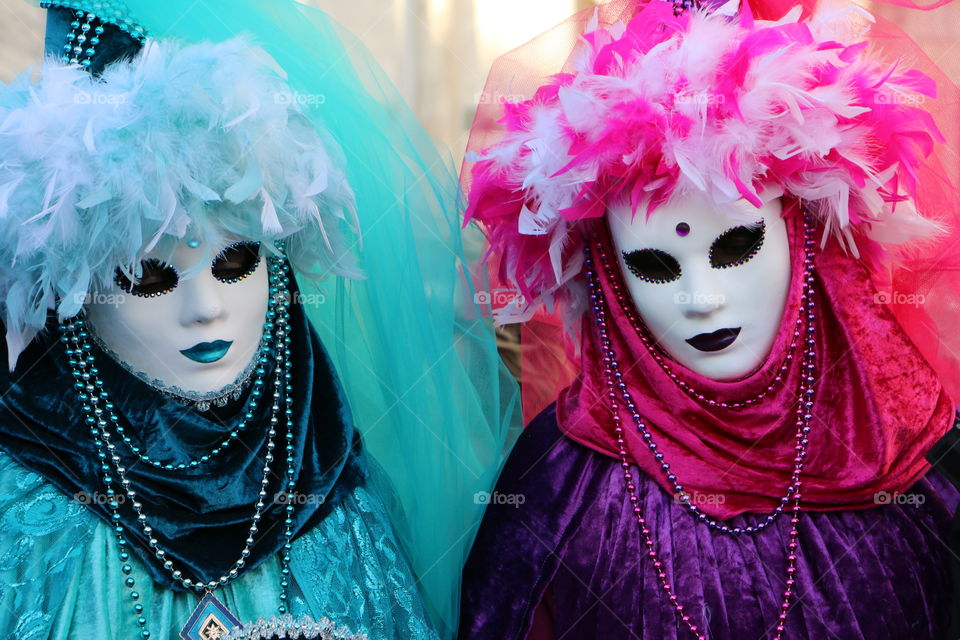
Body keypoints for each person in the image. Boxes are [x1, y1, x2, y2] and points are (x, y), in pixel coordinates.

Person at [0, 1, 518, 638]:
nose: (206, 309)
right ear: (65, 290)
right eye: (146, 277)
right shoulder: (26, 519)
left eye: (238, 261)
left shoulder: (325, 482)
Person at [457, 0, 960, 638]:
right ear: (608, 277)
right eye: (656, 265)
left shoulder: (912, 460)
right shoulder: (559, 482)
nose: (701, 297)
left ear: (808, 242)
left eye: (734, 248)